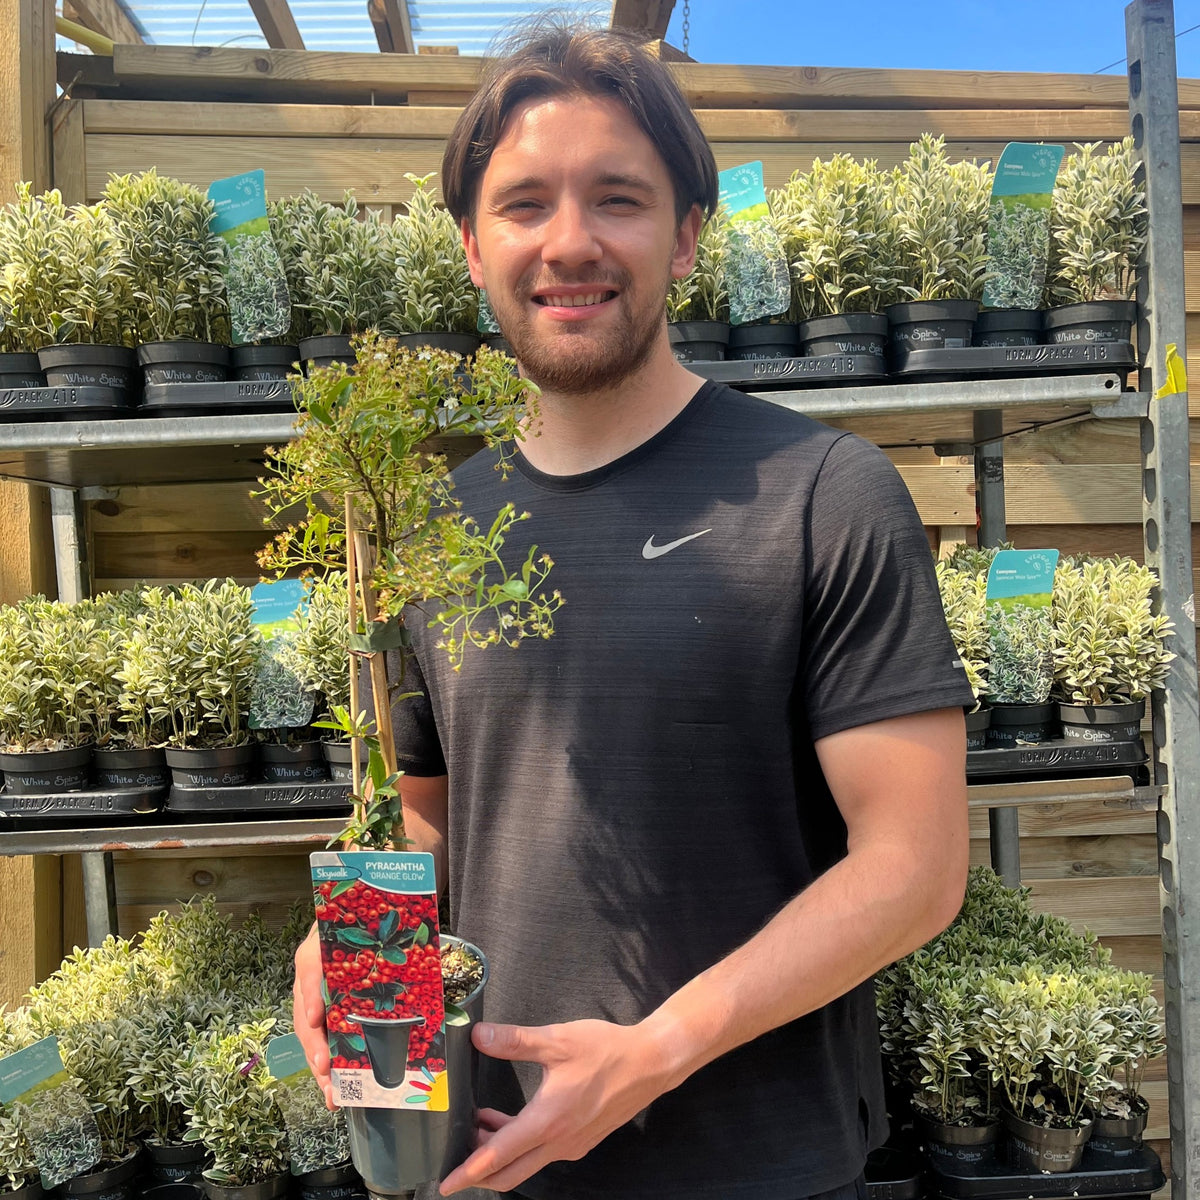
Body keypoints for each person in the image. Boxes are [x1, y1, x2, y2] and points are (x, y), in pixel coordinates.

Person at [294, 22, 973, 1200]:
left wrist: (653, 1055)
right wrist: (348, 940)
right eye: (523, 205)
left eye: (618, 198)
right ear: (468, 245)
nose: (569, 243)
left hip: (758, 1164)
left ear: (686, 236)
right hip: (491, 1156)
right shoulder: (429, 528)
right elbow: (434, 821)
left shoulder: (822, 494)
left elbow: (915, 867)